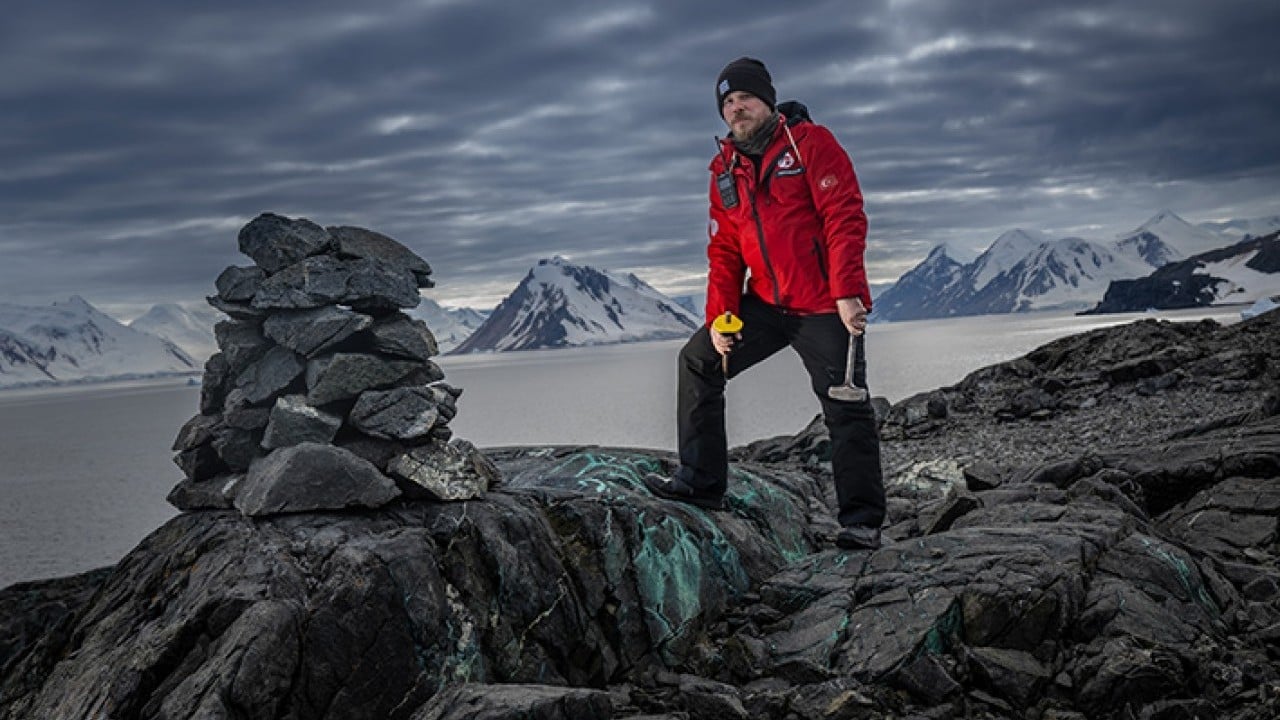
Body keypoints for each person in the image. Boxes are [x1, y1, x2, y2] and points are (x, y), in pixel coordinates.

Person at [644, 57, 886, 551]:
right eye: (728, 102)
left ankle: (862, 521)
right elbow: (724, 250)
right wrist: (720, 318)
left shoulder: (811, 144)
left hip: (824, 304)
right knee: (698, 360)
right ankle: (700, 482)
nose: (736, 108)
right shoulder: (724, 169)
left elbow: (844, 216)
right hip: (766, 304)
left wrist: (847, 292)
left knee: (846, 405)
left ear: (768, 101)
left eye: (745, 98)